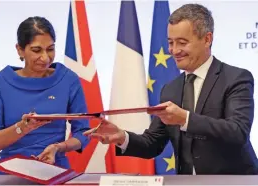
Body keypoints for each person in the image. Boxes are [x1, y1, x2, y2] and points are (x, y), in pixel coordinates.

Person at [84, 4, 258, 175]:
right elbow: (152, 143)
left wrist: (185, 119)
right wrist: (121, 137)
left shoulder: (236, 78)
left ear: (207, 39)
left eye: (182, 43)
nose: (174, 51)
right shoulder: (170, 88)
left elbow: (238, 132)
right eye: (170, 42)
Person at [0, 16, 90, 175]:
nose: (45, 58)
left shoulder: (68, 79)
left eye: (50, 49)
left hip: (56, 170)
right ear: (20, 49)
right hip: (11, 174)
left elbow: (83, 132)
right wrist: (23, 127)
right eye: (36, 50)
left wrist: (58, 147)